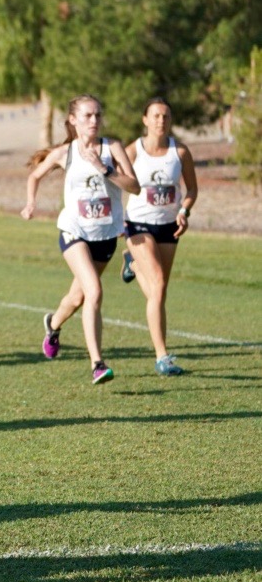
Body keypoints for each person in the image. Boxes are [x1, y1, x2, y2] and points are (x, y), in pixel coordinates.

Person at [21, 94, 139, 384]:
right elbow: (34, 176)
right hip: (74, 230)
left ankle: (53, 323)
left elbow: (134, 186)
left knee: (77, 298)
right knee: (95, 291)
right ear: (73, 120)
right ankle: (97, 363)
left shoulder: (112, 148)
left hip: (106, 235)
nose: (94, 121)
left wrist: (105, 169)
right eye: (87, 116)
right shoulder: (66, 153)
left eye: (98, 115)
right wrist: (30, 203)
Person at [120, 97, 199, 375]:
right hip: (138, 224)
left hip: (169, 226)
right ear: (145, 120)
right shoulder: (132, 152)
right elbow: (117, 185)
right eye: (155, 116)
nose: (160, 121)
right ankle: (162, 356)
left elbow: (191, 190)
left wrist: (184, 212)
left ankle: (131, 263)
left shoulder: (180, 153)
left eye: (165, 116)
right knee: (159, 284)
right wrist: (116, 219)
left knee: (158, 291)